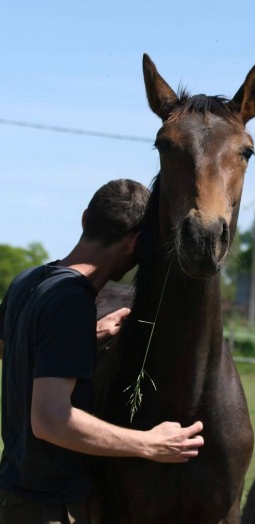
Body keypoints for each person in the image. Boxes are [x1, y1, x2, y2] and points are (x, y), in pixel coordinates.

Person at [0, 179, 204, 524]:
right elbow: (50, 420)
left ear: (84, 220)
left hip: (14, 496)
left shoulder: (29, 280)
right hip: (48, 509)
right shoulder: (71, 301)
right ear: (136, 243)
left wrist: (81, 341)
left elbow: (10, 346)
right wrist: (149, 444)